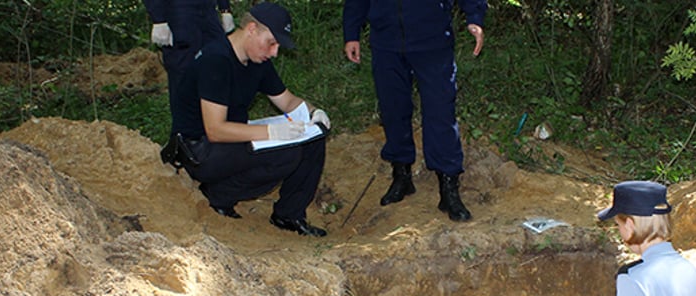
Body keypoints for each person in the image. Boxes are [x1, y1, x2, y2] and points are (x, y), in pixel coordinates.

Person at [169, 2, 332, 237]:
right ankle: (218, 194)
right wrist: (272, 133)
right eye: (272, 43)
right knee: (287, 153)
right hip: (199, 149)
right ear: (252, 29)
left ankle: (289, 215)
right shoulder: (216, 60)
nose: (274, 52)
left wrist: (315, 112)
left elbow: (287, 102)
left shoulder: (258, 61)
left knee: (313, 138)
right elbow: (215, 129)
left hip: (231, 140)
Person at [342, 0, 486, 222]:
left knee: (440, 112)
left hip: (433, 38)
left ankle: (448, 186)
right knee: (393, 110)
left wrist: (474, 17)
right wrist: (351, 32)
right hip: (386, 41)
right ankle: (401, 175)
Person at [144, 0, 237, 116]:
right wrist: (158, 19)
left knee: (217, 62)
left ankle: (218, 122)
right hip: (177, 11)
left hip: (208, 11)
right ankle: (185, 129)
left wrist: (225, 9)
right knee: (182, 70)